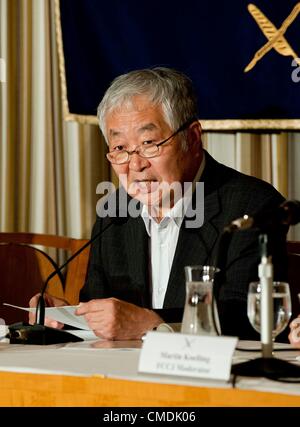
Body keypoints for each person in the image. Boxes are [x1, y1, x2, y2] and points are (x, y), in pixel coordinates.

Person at [29, 67, 288, 340]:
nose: (136, 164)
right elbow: (104, 312)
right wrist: (69, 318)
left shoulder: (253, 207)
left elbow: (249, 318)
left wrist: (155, 325)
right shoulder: (114, 213)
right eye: (120, 149)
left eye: (149, 143)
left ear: (193, 138)